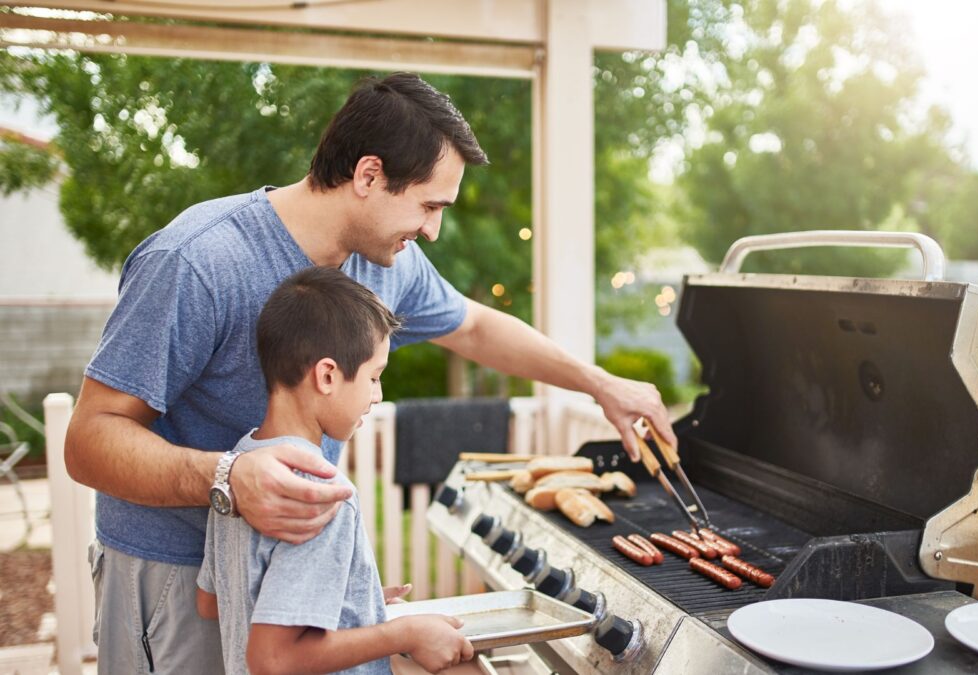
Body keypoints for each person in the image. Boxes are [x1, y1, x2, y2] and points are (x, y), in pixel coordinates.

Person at [66, 71, 675, 673]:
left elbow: (474, 327)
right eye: (429, 205)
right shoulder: (198, 261)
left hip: (281, 585)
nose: (434, 230)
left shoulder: (384, 263)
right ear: (368, 175)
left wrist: (600, 384)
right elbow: (89, 441)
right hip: (172, 577)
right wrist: (228, 477)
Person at [197, 267, 472, 674]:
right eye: (374, 377)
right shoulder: (321, 492)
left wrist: (349, 602)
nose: (378, 395)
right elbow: (272, 659)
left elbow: (214, 602)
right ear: (327, 375)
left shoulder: (240, 467)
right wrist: (403, 634)